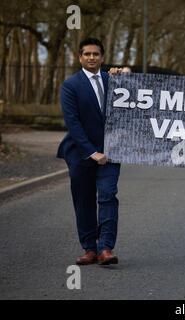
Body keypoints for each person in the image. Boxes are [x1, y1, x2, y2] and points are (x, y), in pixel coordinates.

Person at [57, 38, 121, 266]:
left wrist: (127, 73)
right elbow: (73, 123)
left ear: (102, 57)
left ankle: (105, 248)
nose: (92, 57)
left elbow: (138, 95)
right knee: (83, 201)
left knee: (107, 196)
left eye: (96, 54)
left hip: (112, 152)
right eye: (87, 54)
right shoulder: (70, 85)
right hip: (80, 153)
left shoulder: (114, 80)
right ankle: (89, 249)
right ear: (80, 57)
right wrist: (91, 152)